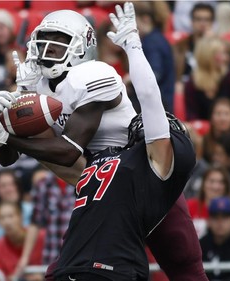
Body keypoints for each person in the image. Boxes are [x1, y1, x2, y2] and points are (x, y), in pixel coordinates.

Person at [0, 4, 208, 280]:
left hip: (143, 176)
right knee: (70, 268)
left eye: (58, 43)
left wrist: (6, 134)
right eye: (44, 41)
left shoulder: (95, 73)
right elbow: (8, 158)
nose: (47, 49)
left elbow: (69, 150)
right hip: (98, 186)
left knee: (185, 267)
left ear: (82, 48)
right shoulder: (37, 86)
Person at [51, 3, 195, 280]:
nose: (140, 129)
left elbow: (151, 99)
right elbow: (66, 164)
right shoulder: (116, 162)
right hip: (80, 261)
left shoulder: (151, 168)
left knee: (187, 268)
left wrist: (133, 47)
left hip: (113, 265)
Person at [184, 36, 230, 121]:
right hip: (202, 130)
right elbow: (191, 115)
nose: (225, 58)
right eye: (220, 54)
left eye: (225, 54)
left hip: (229, 127)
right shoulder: (192, 83)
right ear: (208, 56)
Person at [0, 201, 45, 281]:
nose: (7, 222)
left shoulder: (41, 237)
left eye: (11, 216)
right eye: (2, 218)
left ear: (21, 217)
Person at [173, 2, 215, 83]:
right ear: (191, 21)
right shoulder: (179, 47)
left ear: (212, 23)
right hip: (184, 87)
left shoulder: (220, 48)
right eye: (198, 19)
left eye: (207, 20)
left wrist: (210, 43)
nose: (202, 24)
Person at [186, 166, 230, 238]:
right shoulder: (189, 206)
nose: (216, 187)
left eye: (221, 182)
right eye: (211, 181)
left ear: (226, 186)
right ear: (203, 184)